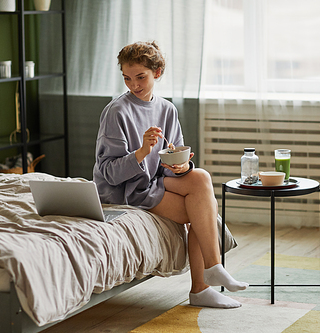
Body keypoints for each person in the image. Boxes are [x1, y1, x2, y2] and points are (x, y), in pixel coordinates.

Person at [93, 41, 248, 309]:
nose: (134, 85)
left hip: (155, 182)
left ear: (158, 72)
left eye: (141, 77)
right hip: (126, 191)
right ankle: (204, 284)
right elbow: (107, 171)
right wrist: (141, 152)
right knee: (201, 211)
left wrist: (182, 167)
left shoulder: (167, 109)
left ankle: (211, 271)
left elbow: (174, 157)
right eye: (127, 78)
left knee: (200, 177)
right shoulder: (116, 111)